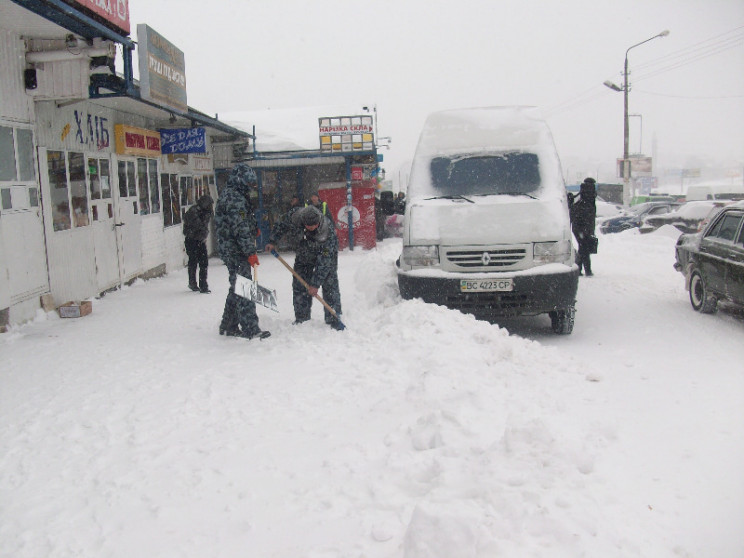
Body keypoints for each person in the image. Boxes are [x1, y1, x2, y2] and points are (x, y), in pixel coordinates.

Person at [214, 163, 270, 339]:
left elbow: (244, 222)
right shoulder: (234, 198)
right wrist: (250, 252)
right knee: (245, 288)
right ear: (240, 181)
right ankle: (250, 329)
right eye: (249, 183)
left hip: (233, 249)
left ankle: (228, 325)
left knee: (236, 286)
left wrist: (254, 228)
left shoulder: (235, 195)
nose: (252, 187)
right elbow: (240, 228)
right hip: (236, 251)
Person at [265, 205, 343, 330]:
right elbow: (281, 225)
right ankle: (302, 318)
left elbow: (325, 261)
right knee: (299, 286)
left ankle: (333, 317)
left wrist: (315, 284)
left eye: (314, 225)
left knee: (330, 285)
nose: (312, 228)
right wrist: (272, 241)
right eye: (308, 226)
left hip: (325, 256)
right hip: (304, 255)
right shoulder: (295, 217)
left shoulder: (327, 231)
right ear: (303, 222)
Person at [183, 194, 214, 293]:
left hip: (200, 240)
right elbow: (199, 225)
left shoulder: (205, 212)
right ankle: (192, 283)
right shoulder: (193, 211)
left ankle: (203, 285)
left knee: (204, 263)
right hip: (191, 240)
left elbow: (204, 226)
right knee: (193, 262)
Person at [570, 177, 598, 276]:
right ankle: (585, 270)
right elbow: (589, 216)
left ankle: (579, 269)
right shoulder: (589, 198)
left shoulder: (581, 197)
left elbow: (574, 211)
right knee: (584, 248)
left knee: (583, 248)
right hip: (583, 227)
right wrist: (589, 229)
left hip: (579, 227)